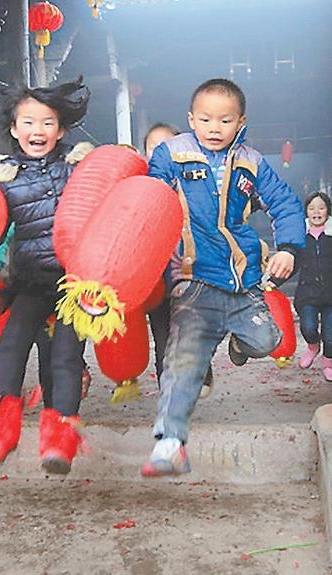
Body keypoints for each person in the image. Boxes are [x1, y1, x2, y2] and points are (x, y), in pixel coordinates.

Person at [141, 78, 305, 477]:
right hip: (193, 279)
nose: (214, 128)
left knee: (268, 340)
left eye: (225, 120)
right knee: (183, 362)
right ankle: (170, 443)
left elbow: (284, 203)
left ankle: (238, 341)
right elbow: (148, 198)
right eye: (205, 119)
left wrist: (288, 248)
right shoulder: (172, 154)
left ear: (241, 122)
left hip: (242, 280)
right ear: (191, 119)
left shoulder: (252, 162)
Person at [0, 77, 94, 475]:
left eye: (47, 122)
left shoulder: (77, 168)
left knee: (65, 356)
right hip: (30, 280)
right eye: (28, 122)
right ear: (14, 129)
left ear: (60, 130)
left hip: (74, 283)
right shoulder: (4, 179)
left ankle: (60, 440)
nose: (37, 130)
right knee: (11, 345)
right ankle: (0, 431)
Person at [0, 224, 91, 408]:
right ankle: (42, 413)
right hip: (34, 284)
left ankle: (60, 417)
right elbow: (1, 226)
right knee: (37, 347)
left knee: (63, 353)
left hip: (72, 283)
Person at [145, 123, 214, 399]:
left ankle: (203, 371)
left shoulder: (196, 184)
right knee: (163, 335)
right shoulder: (141, 187)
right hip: (155, 278)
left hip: (191, 274)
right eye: (153, 147)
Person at [294, 191, 332, 381]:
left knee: (330, 335)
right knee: (308, 327)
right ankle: (313, 346)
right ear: (306, 212)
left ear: (328, 211)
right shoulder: (300, 237)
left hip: (330, 295)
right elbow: (291, 264)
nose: (317, 212)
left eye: (321, 208)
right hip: (307, 293)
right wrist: (273, 281)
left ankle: (328, 362)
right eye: (312, 208)